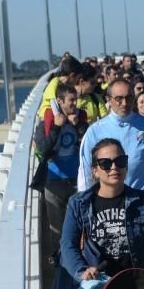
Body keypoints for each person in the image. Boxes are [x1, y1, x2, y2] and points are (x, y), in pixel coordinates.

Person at [60, 138, 144, 283]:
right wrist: (82, 271)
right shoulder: (79, 203)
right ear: (95, 171)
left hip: (138, 283)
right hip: (99, 284)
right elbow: (68, 244)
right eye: (105, 163)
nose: (114, 167)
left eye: (120, 161)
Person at [77, 78, 144, 219]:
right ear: (109, 99)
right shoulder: (94, 132)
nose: (125, 103)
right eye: (119, 98)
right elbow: (86, 174)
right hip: (108, 211)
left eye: (129, 98)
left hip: (143, 206)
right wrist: (84, 210)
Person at [34, 83, 89, 254]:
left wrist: (78, 126)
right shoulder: (46, 125)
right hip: (53, 182)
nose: (75, 104)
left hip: (76, 182)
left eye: (76, 100)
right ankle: (59, 261)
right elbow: (43, 150)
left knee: (80, 225)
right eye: (71, 100)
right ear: (60, 101)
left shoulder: (80, 120)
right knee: (57, 228)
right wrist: (57, 127)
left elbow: (90, 145)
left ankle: (79, 259)